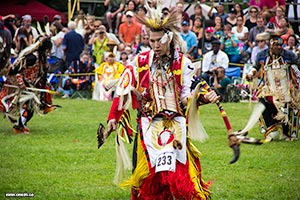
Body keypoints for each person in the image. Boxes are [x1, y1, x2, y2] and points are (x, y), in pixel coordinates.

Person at [104, 7, 229, 200]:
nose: (155, 45)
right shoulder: (141, 61)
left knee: (179, 174)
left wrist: (203, 98)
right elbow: (123, 88)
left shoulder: (183, 63)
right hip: (148, 124)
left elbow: (187, 97)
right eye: (151, 41)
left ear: (169, 39)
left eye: (158, 40)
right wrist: (114, 116)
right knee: (147, 175)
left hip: (175, 125)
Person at [246, 34, 300, 142]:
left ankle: (286, 132)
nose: (279, 47)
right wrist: (251, 74)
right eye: (276, 45)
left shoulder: (289, 55)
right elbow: (255, 67)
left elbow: (296, 71)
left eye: (280, 45)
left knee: (289, 103)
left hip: (286, 88)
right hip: (269, 88)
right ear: (270, 45)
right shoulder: (262, 55)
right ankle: (271, 128)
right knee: (263, 101)